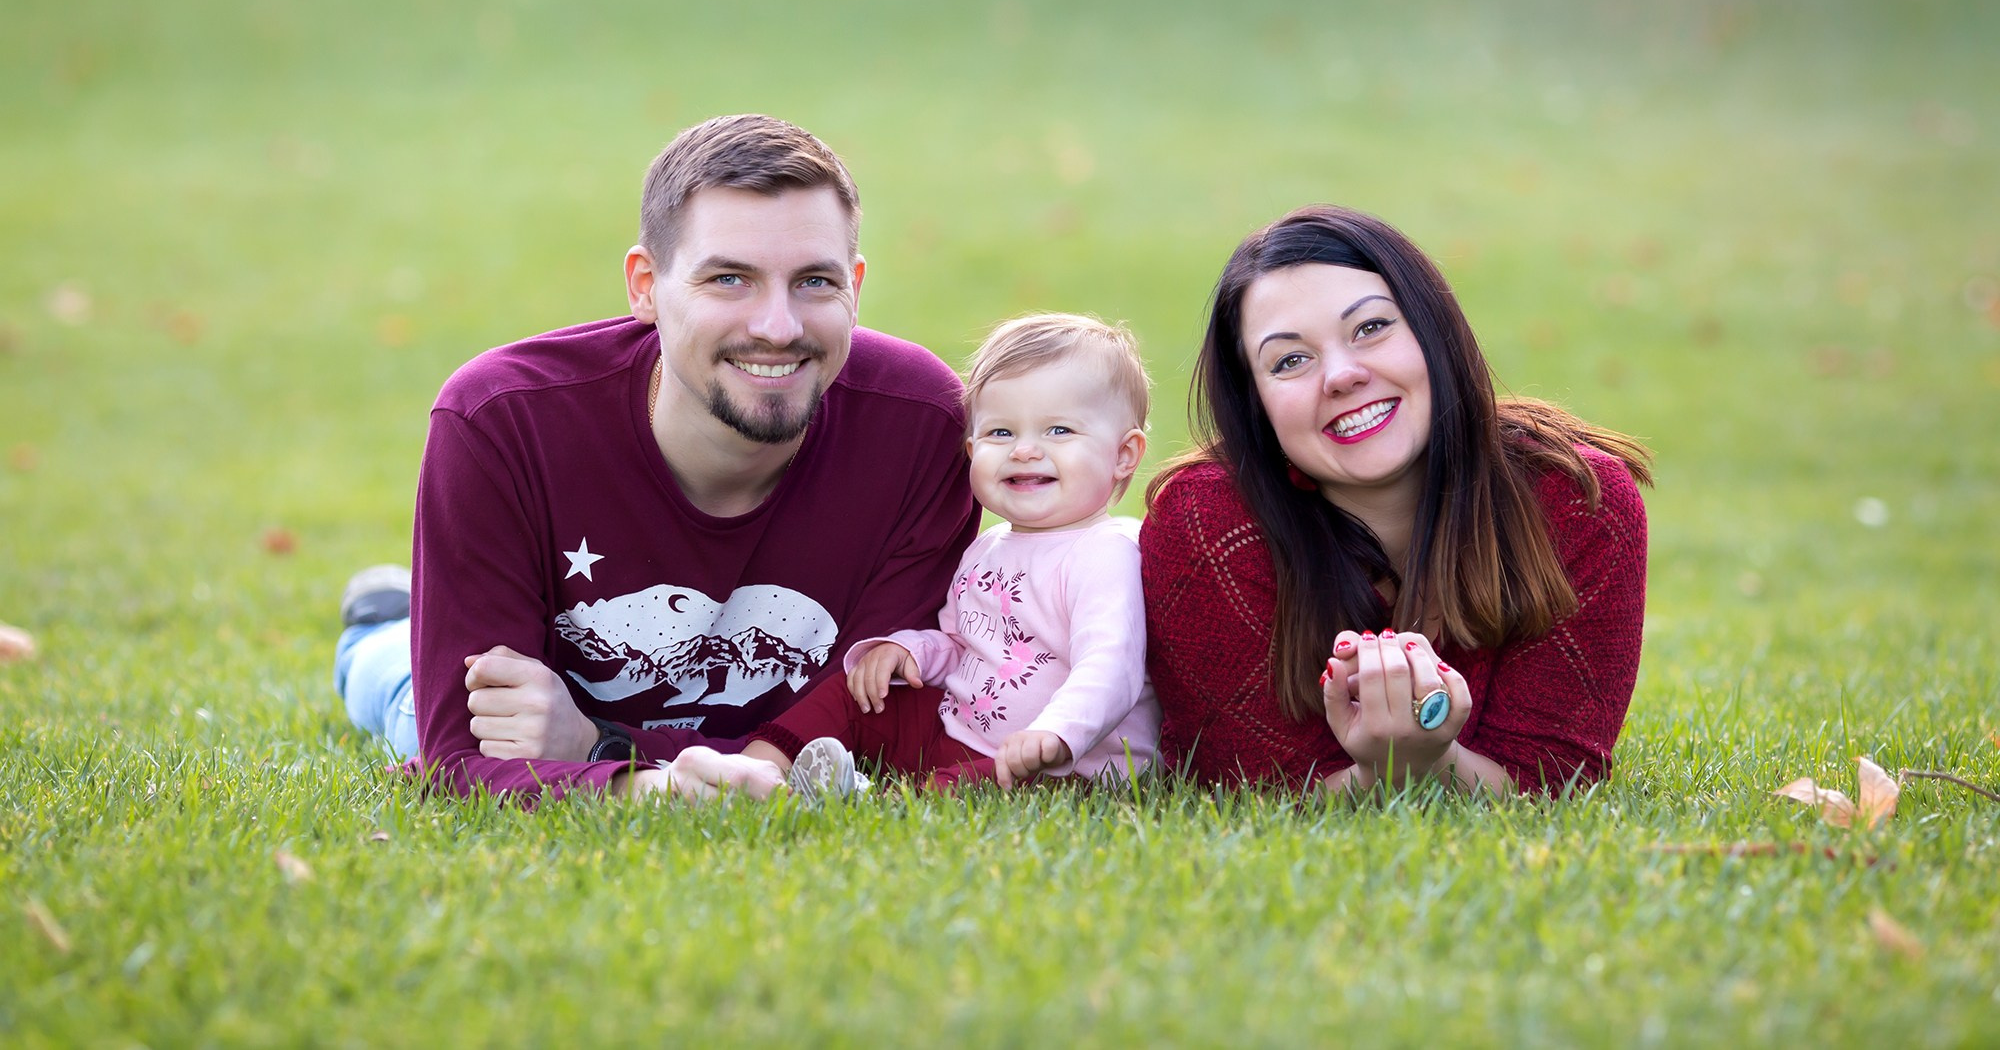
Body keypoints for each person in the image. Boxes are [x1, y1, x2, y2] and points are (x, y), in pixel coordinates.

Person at [332, 115, 980, 805]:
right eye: (730, 278)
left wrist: (597, 747)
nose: (779, 327)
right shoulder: (500, 419)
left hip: (576, 724)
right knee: (405, 699)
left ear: (854, 283)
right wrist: (657, 788)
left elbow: (867, 740)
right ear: (644, 286)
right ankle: (378, 634)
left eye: (814, 282)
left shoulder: (924, 425)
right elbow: (461, 755)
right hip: (547, 699)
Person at [1139, 206, 1651, 796]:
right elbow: (1260, 788)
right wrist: (1403, 768)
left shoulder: (1576, 501)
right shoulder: (1205, 523)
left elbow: (1554, 778)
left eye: (1371, 327)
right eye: (1291, 360)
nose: (1341, 375)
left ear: (1432, 331)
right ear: (1256, 405)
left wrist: (1425, 761)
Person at [736, 313, 1161, 796]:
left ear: (1125, 454)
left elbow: (1111, 664)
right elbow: (964, 646)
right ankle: (756, 769)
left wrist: (1058, 734)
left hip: (1062, 766)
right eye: (1001, 433)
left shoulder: (1107, 552)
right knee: (853, 693)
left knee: (962, 789)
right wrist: (908, 651)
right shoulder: (988, 548)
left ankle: (873, 806)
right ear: (972, 448)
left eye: (1059, 431)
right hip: (960, 730)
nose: (1024, 450)